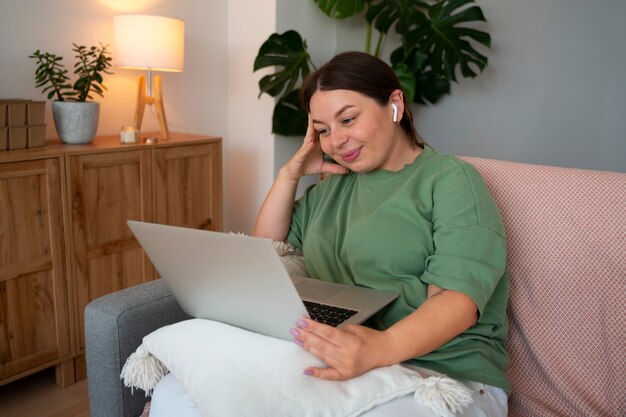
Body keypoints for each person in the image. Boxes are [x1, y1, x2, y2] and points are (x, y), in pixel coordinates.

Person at [151, 51, 510, 416]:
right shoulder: (330, 190)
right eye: (323, 130)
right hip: (345, 357)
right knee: (178, 392)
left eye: (348, 119)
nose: (336, 140)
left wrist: (378, 348)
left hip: (441, 375)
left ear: (394, 104)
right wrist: (289, 175)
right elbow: (266, 257)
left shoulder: (451, 180)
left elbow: (457, 302)